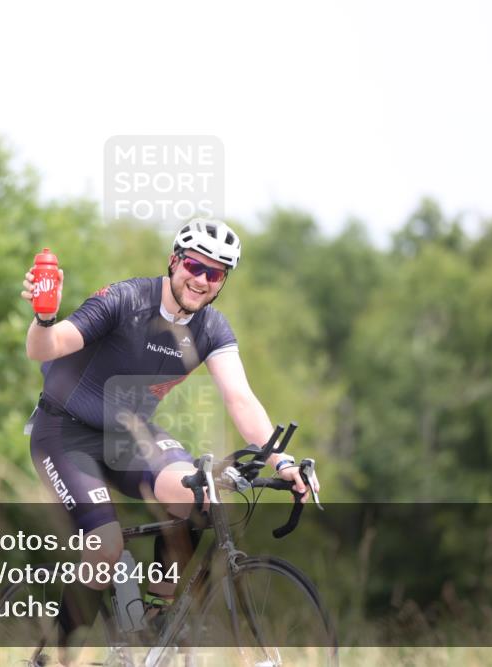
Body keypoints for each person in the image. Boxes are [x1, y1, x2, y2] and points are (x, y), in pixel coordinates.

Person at [20, 218, 319, 656]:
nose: (201, 280)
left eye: (215, 274)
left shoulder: (212, 330)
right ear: (174, 261)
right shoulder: (125, 299)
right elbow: (44, 348)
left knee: (199, 491)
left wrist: (283, 462)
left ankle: (155, 614)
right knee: (105, 547)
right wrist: (45, 317)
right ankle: (53, 657)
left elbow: (241, 399)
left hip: (128, 437)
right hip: (65, 432)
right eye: (195, 266)